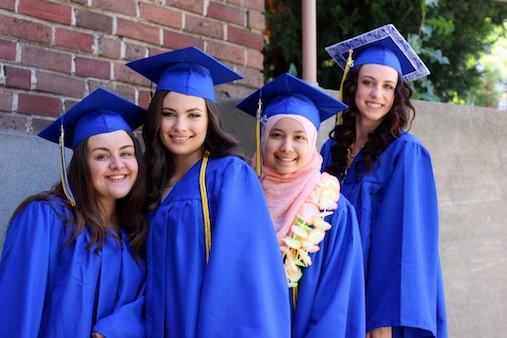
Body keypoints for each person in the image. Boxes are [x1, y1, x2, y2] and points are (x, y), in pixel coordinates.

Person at [126, 46, 291, 337]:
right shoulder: (148, 183)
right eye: (169, 114)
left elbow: (245, 276)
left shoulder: (230, 176)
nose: (180, 126)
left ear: (208, 119)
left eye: (193, 115)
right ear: (156, 118)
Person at [321, 24, 447, 337]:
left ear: (397, 94)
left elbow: (403, 243)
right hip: (332, 289)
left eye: (388, 86)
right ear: (353, 87)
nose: (377, 94)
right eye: (368, 83)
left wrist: (381, 321)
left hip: (376, 303)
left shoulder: (406, 152)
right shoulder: (330, 149)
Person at [0, 88, 148, 338]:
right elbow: (18, 306)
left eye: (126, 153)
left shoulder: (137, 229)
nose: (117, 164)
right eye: (102, 155)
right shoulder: (45, 218)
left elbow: (149, 300)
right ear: (82, 165)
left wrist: (117, 328)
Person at [236, 72, 366, 337]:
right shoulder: (239, 198)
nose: (286, 147)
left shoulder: (333, 211)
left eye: (299, 137)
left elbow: (335, 302)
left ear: (313, 142)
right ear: (263, 137)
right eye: (277, 134)